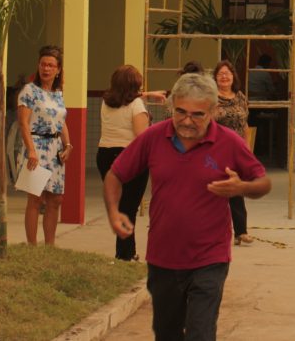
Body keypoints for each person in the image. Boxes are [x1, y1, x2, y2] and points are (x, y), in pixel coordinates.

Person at [105, 73, 271, 341]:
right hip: (162, 258)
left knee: (200, 333)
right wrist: (114, 212)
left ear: (214, 111)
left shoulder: (229, 142)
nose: (186, 121)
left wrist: (242, 188)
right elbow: (115, 174)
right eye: (180, 112)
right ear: (171, 106)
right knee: (167, 333)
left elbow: (263, 182)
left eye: (197, 115)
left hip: (210, 258)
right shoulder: (153, 137)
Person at [96, 64, 166, 261]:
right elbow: (141, 136)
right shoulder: (136, 106)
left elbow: (127, 97)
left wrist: (148, 94)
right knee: (129, 207)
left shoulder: (106, 102)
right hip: (129, 156)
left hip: (105, 155)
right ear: (134, 86)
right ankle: (125, 253)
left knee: (120, 206)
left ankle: (125, 252)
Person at [17, 45, 73, 246]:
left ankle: (50, 245)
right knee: (35, 199)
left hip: (55, 149)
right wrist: (31, 150)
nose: (46, 69)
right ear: (38, 66)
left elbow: (61, 120)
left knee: (56, 199)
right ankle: (32, 246)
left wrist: (68, 144)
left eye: (51, 65)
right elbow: (23, 122)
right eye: (43, 64)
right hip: (36, 147)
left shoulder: (58, 93)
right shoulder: (29, 91)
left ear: (58, 70)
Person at [212, 60, 253, 245]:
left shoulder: (240, 97)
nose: (224, 76)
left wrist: (247, 149)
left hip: (236, 150)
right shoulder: (210, 98)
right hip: (215, 149)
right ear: (215, 78)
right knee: (215, 190)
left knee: (236, 189)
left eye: (227, 73)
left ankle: (241, 231)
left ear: (233, 76)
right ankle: (213, 232)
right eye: (220, 73)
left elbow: (244, 124)